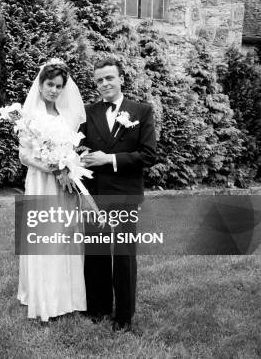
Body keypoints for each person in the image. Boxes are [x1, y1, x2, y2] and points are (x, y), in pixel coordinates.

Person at [80, 57, 156, 332]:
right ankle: (97, 308)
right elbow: (79, 147)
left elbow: (148, 155)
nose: (104, 84)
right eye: (99, 80)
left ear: (121, 78)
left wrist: (108, 160)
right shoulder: (87, 112)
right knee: (96, 252)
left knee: (123, 256)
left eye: (109, 78)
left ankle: (123, 315)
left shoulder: (141, 111)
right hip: (95, 195)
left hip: (125, 194)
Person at [17, 60, 87, 321]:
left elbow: (70, 149)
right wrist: (53, 169)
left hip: (64, 185)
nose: (54, 90)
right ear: (41, 84)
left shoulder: (66, 117)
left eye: (59, 86)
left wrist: (68, 166)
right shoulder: (29, 116)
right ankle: (43, 296)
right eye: (50, 85)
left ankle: (67, 296)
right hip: (41, 182)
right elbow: (24, 155)